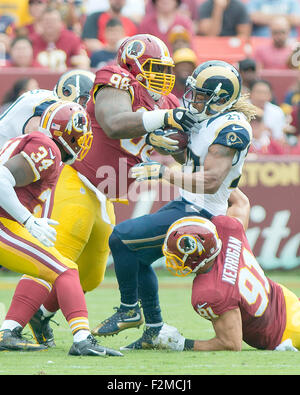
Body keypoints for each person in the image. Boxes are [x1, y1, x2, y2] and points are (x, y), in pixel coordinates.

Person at [3, 34, 197, 347]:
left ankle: (40, 312)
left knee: (91, 275)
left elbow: (184, 153)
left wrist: (190, 135)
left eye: (166, 68)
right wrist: (162, 119)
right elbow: (113, 123)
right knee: (55, 257)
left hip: (105, 193)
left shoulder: (169, 102)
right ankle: (9, 329)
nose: (162, 75)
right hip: (76, 178)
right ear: (133, 65)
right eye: (153, 67)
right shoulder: (115, 79)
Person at [92, 60, 257, 350]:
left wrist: (163, 172)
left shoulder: (231, 127)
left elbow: (211, 180)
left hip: (204, 214)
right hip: (188, 205)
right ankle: (154, 330)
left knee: (121, 238)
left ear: (221, 99)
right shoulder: (207, 119)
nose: (193, 98)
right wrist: (176, 149)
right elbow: (193, 162)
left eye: (202, 94)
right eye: (193, 90)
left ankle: (129, 309)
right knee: (136, 255)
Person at [0, 100, 122, 357]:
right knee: (65, 270)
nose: (84, 142)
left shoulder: (35, 143)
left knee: (58, 268)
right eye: (81, 136)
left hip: (7, 222)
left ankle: (8, 331)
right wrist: (28, 220)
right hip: (4, 223)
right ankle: (82, 339)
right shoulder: (47, 149)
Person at [153, 214, 300, 352]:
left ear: (198, 255)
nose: (173, 261)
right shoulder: (227, 228)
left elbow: (231, 343)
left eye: (177, 256)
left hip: (286, 332)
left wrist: (181, 343)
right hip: (288, 300)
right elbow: (241, 202)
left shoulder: (210, 291)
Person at [31, 7, 90, 71]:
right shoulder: (32, 41)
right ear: (40, 23)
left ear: (61, 23)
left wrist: (79, 61)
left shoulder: (72, 39)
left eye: (53, 21)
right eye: (46, 21)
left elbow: (83, 60)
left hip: (67, 78)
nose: (50, 24)